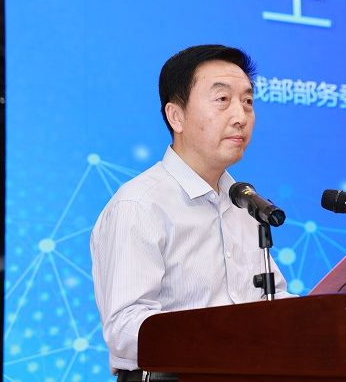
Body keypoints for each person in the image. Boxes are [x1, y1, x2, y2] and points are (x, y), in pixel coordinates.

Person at [90, 45, 292, 381]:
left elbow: (271, 299)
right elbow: (125, 329)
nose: (241, 116)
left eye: (247, 101)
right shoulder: (139, 205)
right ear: (176, 116)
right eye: (222, 99)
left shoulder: (245, 203)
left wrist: (322, 318)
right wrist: (223, 338)